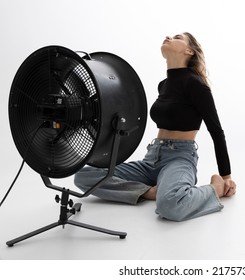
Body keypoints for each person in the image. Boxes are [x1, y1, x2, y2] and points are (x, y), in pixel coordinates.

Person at [74, 32, 236, 221]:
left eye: (177, 37)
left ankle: (213, 189)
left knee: (170, 206)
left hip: (180, 158)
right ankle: (148, 192)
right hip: (152, 158)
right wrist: (146, 191)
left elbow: (216, 131)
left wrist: (225, 177)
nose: (168, 36)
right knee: (84, 176)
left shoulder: (196, 85)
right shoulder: (163, 85)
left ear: (189, 50)